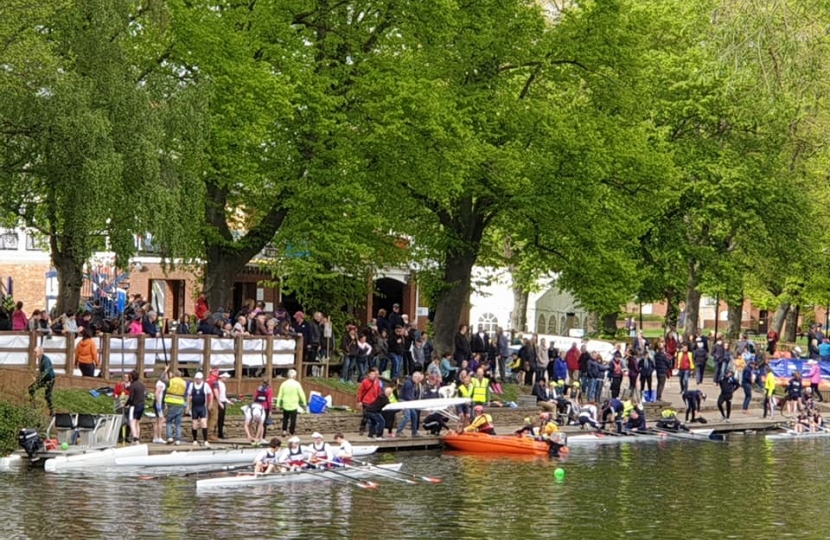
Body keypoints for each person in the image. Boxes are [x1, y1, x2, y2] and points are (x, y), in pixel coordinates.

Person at [276, 369, 306, 437]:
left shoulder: (283, 384)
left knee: (285, 418)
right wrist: (304, 403)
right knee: (293, 420)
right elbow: (302, 394)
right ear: (294, 376)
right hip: (294, 405)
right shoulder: (297, 384)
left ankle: (284, 431)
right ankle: (291, 432)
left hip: (285, 404)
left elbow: (280, 395)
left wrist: (278, 404)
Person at [186, 372, 211, 446]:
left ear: (202, 379)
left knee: (204, 423)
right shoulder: (191, 385)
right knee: (194, 424)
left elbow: (210, 394)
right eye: (197, 379)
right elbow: (189, 396)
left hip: (202, 407)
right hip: (194, 407)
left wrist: (210, 403)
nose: (198, 381)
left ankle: (206, 440)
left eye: (199, 379)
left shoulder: (205, 385)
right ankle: (194, 440)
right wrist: (188, 406)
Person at [28, 347, 55, 414]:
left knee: (47, 395)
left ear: (40, 352)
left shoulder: (46, 360)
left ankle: (52, 410)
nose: (34, 353)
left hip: (49, 379)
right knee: (31, 388)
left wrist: (37, 379)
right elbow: (41, 372)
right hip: (44, 378)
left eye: (35, 352)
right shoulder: (40, 359)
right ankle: (33, 406)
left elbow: (46, 372)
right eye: (34, 352)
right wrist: (37, 378)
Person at [357, 368, 382, 436]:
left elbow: (379, 392)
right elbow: (360, 392)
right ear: (369, 374)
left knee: (374, 417)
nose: (373, 375)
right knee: (365, 416)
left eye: (374, 374)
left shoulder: (377, 382)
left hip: (374, 402)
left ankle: (373, 430)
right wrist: (359, 401)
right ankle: (362, 429)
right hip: (366, 401)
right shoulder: (365, 382)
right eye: (372, 374)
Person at [164, 370, 187, 445]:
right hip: (180, 402)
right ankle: (178, 439)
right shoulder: (184, 382)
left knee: (168, 421)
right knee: (178, 423)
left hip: (171, 402)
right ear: (180, 375)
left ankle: (169, 437)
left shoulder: (171, 381)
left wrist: (166, 370)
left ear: (174, 375)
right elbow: (185, 393)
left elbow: (162, 379)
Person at [125, 370, 146, 445]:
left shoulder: (132, 385)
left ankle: (135, 439)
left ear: (131, 377)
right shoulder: (141, 385)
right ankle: (138, 437)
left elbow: (131, 398)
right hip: (142, 404)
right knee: (137, 422)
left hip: (134, 405)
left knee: (132, 422)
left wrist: (126, 404)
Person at [152, 367, 169, 444]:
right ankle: (159, 437)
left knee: (157, 420)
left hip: (158, 403)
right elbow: (157, 393)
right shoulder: (161, 384)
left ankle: (155, 438)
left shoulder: (160, 382)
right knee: (161, 420)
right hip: (158, 404)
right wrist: (159, 404)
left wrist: (166, 369)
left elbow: (164, 375)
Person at [216, 372, 232, 439]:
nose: (226, 378)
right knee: (218, 418)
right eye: (225, 377)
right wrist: (219, 402)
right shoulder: (218, 384)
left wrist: (228, 401)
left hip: (223, 401)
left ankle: (220, 433)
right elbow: (218, 395)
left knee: (222, 419)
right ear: (221, 377)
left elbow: (223, 395)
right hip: (219, 402)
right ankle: (219, 433)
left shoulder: (223, 384)